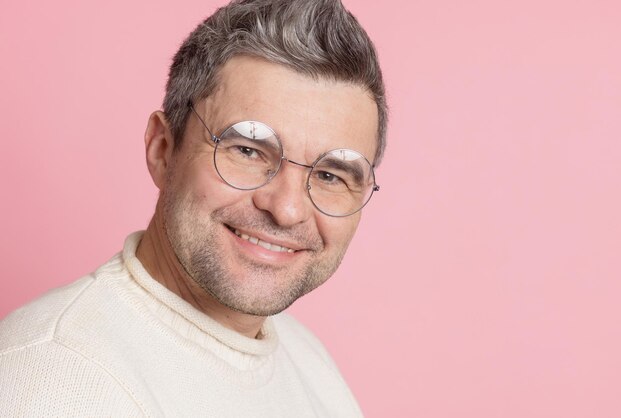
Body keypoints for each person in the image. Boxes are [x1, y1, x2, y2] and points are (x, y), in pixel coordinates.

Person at [0, 0, 387, 416]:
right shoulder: (56, 382)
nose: (287, 209)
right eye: (248, 150)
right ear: (163, 150)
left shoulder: (307, 358)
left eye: (331, 175)